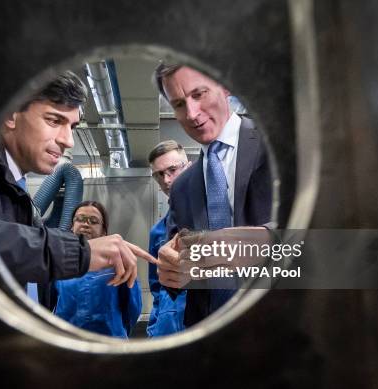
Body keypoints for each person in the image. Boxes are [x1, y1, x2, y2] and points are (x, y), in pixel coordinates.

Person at [0, 71, 155, 307]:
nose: (68, 140)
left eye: (72, 126)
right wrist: (79, 253)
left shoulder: (16, 189)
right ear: (11, 115)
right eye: (54, 121)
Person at [153, 64, 273, 327]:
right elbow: (179, 259)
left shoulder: (277, 145)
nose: (192, 114)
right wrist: (171, 268)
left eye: (199, 94)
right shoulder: (182, 187)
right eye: (179, 104)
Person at [54, 201, 142, 338]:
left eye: (93, 221)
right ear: (72, 226)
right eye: (80, 219)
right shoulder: (59, 262)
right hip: (67, 342)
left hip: (110, 343)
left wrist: (118, 332)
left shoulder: (119, 263)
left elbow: (132, 308)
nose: (85, 224)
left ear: (104, 231)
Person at [146, 141, 190, 337]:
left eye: (172, 170)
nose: (166, 180)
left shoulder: (215, 216)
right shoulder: (157, 232)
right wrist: (154, 328)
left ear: (188, 167)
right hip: (166, 330)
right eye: (159, 174)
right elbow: (156, 288)